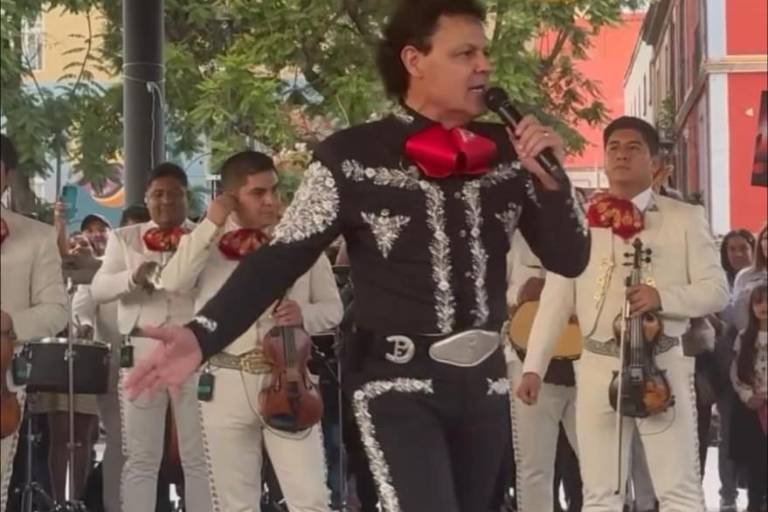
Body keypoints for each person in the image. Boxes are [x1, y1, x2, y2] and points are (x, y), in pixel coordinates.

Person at [125, 1, 590, 511]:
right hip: (394, 387)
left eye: (484, 53)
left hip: (484, 383)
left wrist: (551, 183)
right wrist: (200, 334)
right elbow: (282, 256)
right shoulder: (351, 156)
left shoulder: (510, 155)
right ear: (415, 60)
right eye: (465, 53)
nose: (483, 65)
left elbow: (569, 259)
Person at [517, 116, 729, 511]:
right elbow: (557, 298)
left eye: (633, 148)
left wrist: (662, 297)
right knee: (600, 492)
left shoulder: (685, 218)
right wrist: (534, 366)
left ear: (655, 162)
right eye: (614, 146)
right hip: (596, 363)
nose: (621, 155)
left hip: (660, 361)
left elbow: (717, 291)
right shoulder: (580, 218)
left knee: (677, 489)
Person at [160, 151, 342, 511]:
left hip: (289, 379)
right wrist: (210, 225)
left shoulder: (300, 245)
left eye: (274, 190)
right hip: (224, 380)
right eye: (258, 193)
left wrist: (304, 314)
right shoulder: (205, 244)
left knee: (311, 499)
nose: (271, 201)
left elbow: (334, 310)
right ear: (231, 198)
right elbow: (172, 282)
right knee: (234, 503)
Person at [90, 163, 211, 512]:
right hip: (142, 351)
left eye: (175, 193)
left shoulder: (204, 237)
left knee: (198, 455)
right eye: (158, 194)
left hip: (192, 352)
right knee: (141, 457)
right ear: (146, 199)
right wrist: (132, 277)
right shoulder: (124, 238)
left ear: (187, 197)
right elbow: (99, 288)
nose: (166, 200)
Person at [0, 133, 68, 509]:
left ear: (7, 176)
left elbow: (56, 310)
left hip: (2, 376)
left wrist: (8, 321)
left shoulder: (38, 237)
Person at [505, 230, 581, 512]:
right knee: (534, 467)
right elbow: (489, 294)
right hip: (527, 363)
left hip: (583, 364)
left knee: (600, 464)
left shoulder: (585, 236)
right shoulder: (512, 238)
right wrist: (521, 293)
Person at [729, 284, 768, 512]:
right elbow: (736, 371)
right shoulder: (745, 336)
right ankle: (754, 503)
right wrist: (747, 395)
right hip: (753, 408)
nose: (764, 307)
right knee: (756, 460)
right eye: (758, 302)